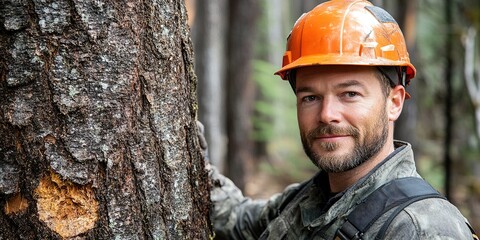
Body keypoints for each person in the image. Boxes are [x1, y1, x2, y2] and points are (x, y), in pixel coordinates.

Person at [202, 0, 477, 239]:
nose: (326, 115)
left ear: (394, 103)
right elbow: (235, 220)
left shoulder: (422, 229)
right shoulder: (307, 202)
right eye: (310, 97)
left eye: (349, 94)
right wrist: (191, 153)